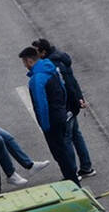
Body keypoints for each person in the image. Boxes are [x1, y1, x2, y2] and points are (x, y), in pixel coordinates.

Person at [33, 38, 96, 177]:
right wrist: (79, 98)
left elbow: (63, 87)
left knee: (66, 140)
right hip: (73, 105)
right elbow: (73, 81)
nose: (34, 56)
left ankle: (72, 173)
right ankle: (86, 167)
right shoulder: (61, 59)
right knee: (76, 135)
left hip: (65, 108)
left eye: (36, 52)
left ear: (43, 52)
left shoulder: (51, 66)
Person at [19, 46, 78, 183]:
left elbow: (41, 104)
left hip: (51, 120)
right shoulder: (50, 69)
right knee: (64, 148)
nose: (25, 66)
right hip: (61, 114)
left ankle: (72, 181)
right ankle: (72, 177)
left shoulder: (37, 79)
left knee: (59, 153)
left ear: (29, 61)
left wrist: (45, 125)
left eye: (24, 63)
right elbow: (63, 89)